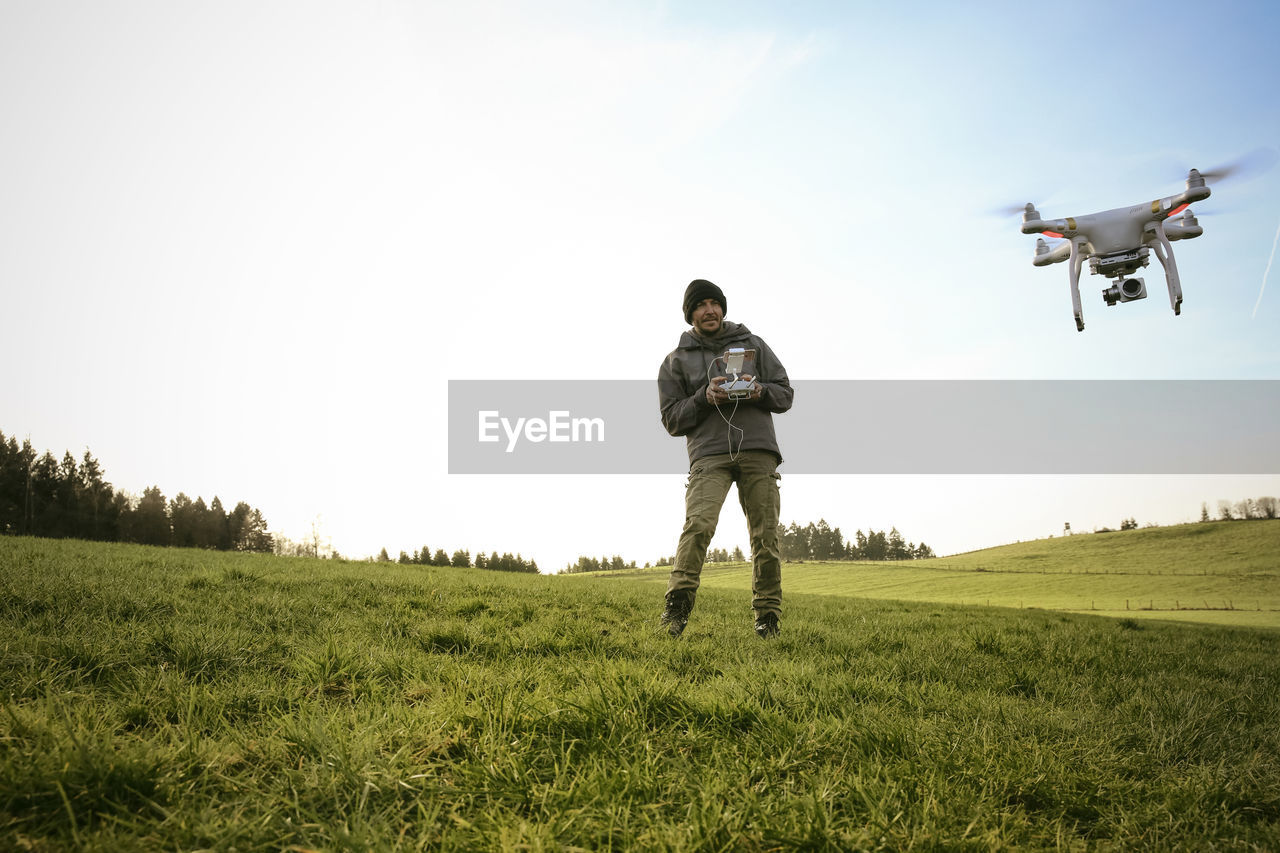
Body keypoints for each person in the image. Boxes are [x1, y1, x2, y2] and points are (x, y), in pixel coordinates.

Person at [657, 279, 794, 639]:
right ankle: (676, 610)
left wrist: (759, 389)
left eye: (714, 303)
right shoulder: (675, 361)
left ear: (723, 308)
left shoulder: (754, 345)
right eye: (700, 305)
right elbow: (671, 419)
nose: (709, 310)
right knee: (698, 525)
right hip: (708, 455)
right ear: (691, 315)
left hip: (758, 450)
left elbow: (785, 394)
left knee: (765, 535)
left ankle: (768, 619)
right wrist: (704, 397)